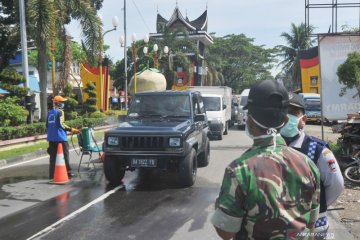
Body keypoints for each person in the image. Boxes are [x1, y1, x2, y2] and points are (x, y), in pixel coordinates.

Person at [211, 80, 320, 240]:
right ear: (284, 122)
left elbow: (226, 232)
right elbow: (310, 225)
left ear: (249, 121)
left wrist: (220, 206)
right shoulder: (308, 165)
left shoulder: (239, 170)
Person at [280, 92, 344, 239]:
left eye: (293, 113)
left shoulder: (317, 150)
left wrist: (316, 206)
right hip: (279, 228)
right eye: (284, 112)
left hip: (313, 227)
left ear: (304, 119)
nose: (287, 117)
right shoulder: (270, 148)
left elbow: (336, 185)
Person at [46, 95, 80, 179]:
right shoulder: (60, 112)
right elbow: (61, 124)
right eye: (62, 102)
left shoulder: (49, 112)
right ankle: (68, 173)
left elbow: (47, 125)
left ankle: (51, 175)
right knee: (65, 156)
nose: (63, 104)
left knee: (53, 157)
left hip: (51, 139)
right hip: (61, 138)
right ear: (58, 103)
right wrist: (72, 129)